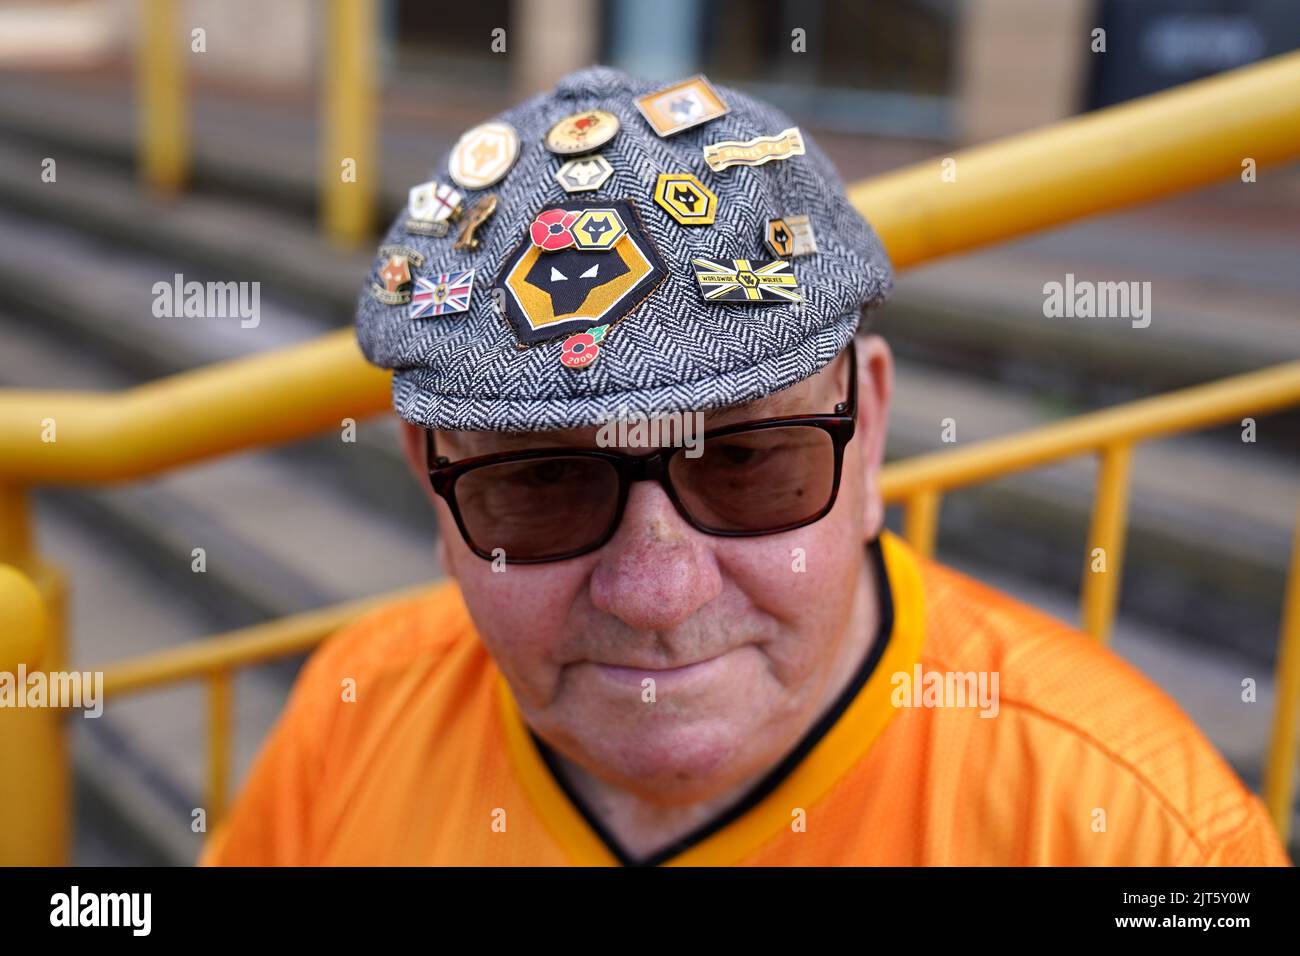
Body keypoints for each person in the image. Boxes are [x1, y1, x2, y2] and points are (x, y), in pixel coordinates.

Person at [201, 67, 1289, 867]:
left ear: (866, 431)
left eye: (750, 460)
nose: (657, 594)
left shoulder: (1140, 835)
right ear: (428, 481)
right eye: (538, 483)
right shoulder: (348, 720)